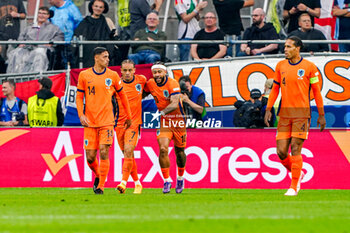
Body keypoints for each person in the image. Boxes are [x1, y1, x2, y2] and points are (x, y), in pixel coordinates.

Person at [264, 36, 326, 196]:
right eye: (284, 46)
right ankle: (298, 173)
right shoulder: (280, 66)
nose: (285, 49)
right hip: (284, 114)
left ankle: (293, 186)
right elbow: (275, 89)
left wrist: (321, 114)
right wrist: (268, 108)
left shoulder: (309, 67)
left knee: (296, 148)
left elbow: (316, 92)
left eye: (288, 46)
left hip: (302, 113)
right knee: (281, 152)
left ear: (297, 48)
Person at [76, 47, 132, 194]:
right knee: (90, 158)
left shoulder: (113, 75)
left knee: (104, 151)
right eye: (105, 57)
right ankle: (98, 175)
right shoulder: (84, 75)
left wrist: (129, 116)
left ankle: (100, 186)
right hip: (89, 122)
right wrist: (81, 115)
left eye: (108, 57)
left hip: (107, 121)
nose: (108, 59)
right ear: (96, 58)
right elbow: (79, 97)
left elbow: (123, 97)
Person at [144, 62, 187, 194]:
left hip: (178, 121)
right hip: (165, 122)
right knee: (163, 149)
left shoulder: (172, 83)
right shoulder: (150, 83)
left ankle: (180, 177)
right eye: (155, 72)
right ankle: (167, 180)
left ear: (165, 72)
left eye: (159, 72)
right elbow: (139, 95)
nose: (157, 75)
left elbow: (174, 104)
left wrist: (160, 113)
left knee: (179, 152)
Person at [115, 59, 147, 194]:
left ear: (134, 70)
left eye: (130, 70)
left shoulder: (141, 80)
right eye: (125, 70)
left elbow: (151, 90)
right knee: (128, 154)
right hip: (119, 124)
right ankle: (138, 183)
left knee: (128, 150)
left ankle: (123, 182)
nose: (127, 73)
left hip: (134, 123)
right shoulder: (116, 84)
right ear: (120, 71)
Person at [6, 6, 64, 74]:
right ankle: (14, 78)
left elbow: (60, 37)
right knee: (15, 53)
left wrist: (51, 43)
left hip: (42, 49)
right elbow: (22, 36)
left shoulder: (54, 28)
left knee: (38, 54)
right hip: (27, 48)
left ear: (48, 15)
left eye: (44, 13)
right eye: (39, 13)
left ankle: (36, 78)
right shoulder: (29, 27)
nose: (41, 15)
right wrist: (21, 43)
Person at [73, 0, 120, 68]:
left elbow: (114, 36)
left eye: (101, 7)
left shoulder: (107, 21)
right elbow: (77, 37)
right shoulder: (84, 22)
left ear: (103, 9)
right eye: (96, 6)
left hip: (103, 54)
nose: (98, 9)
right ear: (92, 7)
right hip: (87, 56)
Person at [49, 0, 83, 68]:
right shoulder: (51, 9)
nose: (49, 1)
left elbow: (79, 22)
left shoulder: (71, 7)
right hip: (56, 42)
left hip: (69, 41)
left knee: (71, 62)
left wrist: (75, 35)